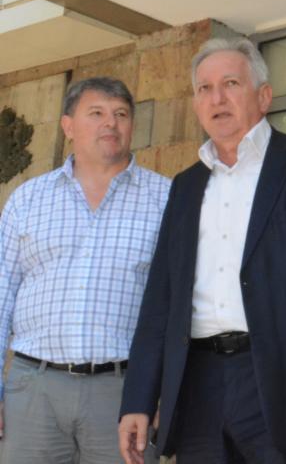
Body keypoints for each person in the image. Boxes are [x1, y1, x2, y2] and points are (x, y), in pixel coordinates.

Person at [118, 38, 286, 463]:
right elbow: (160, 299)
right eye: (204, 88)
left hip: (284, 383)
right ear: (195, 105)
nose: (217, 98)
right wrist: (138, 400)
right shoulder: (185, 186)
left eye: (231, 83)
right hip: (196, 386)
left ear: (264, 96)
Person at [0, 77, 169, 464]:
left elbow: (180, 305)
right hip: (33, 390)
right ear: (68, 126)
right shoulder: (28, 199)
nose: (111, 123)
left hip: (124, 394)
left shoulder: (166, 198)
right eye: (96, 113)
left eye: (121, 114)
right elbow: (1, 293)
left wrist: (166, 395)